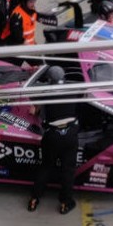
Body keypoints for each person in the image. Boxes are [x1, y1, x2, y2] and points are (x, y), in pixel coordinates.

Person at [30, 65, 79, 214]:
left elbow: (33, 110)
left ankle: (34, 199)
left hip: (52, 135)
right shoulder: (74, 89)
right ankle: (65, 203)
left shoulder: (44, 93)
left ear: (49, 79)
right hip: (70, 135)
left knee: (46, 167)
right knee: (67, 171)